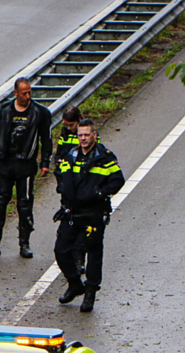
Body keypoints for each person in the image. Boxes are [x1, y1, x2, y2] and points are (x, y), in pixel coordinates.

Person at [0, 77, 52, 258]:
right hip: (5, 163)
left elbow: (46, 139)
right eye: (24, 93)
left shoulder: (40, 113)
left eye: (29, 93)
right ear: (15, 93)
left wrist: (45, 162)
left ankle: (24, 244)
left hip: (26, 164)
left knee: (24, 205)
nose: (27, 96)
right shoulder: (3, 111)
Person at [54, 119, 125, 312]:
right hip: (71, 212)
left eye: (86, 135)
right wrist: (63, 189)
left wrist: (98, 193)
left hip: (93, 213)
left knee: (93, 253)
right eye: (80, 135)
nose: (83, 138)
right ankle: (75, 283)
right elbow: (61, 173)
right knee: (61, 250)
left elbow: (117, 180)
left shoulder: (105, 157)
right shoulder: (71, 155)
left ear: (94, 134)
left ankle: (90, 292)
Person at [53, 106, 87, 275]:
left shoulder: (87, 136)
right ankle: (69, 255)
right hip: (68, 186)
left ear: (79, 121)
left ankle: (80, 258)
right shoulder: (65, 134)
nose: (68, 128)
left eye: (71, 125)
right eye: (66, 125)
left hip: (81, 186)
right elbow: (59, 154)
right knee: (68, 219)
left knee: (81, 222)